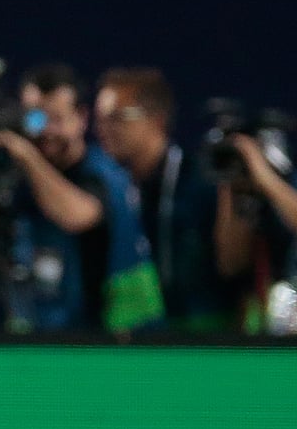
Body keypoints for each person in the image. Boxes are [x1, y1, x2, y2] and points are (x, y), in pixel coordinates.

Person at [0, 62, 164, 333]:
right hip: (36, 334)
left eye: (56, 119)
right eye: (35, 119)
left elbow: (77, 216)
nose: (45, 131)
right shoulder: (15, 178)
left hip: (113, 338)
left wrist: (25, 155)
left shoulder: (104, 174)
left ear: (81, 117)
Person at [93, 67, 238, 332]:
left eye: (116, 118)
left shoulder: (203, 183)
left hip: (214, 342)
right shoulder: (108, 184)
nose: (103, 130)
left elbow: (233, 266)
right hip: (145, 343)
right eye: (100, 120)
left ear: (156, 120)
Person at [211, 130, 297, 332]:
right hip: (260, 332)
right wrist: (232, 188)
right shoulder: (249, 196)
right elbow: (229, 263)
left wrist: (266, 179)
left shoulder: (279, 185)